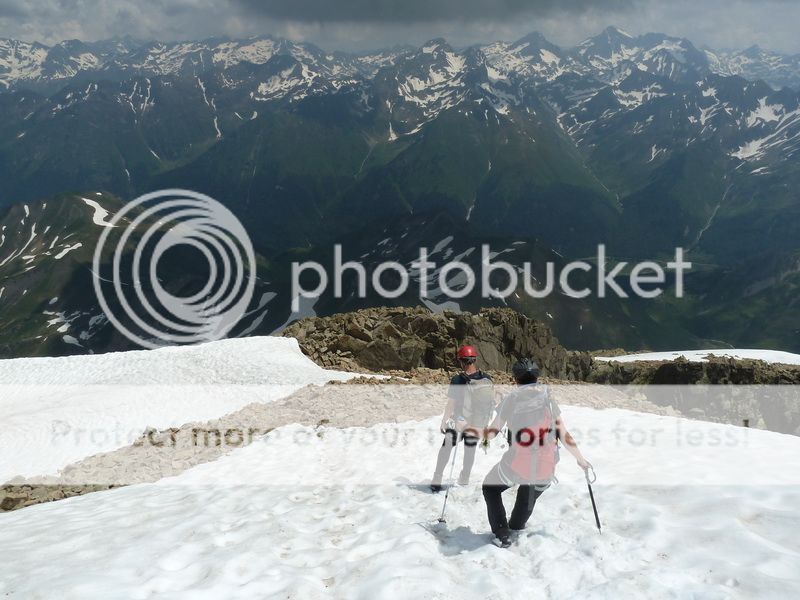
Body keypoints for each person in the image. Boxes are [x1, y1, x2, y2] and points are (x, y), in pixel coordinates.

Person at [482, 358, 591, 548]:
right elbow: (563, 433)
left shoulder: (511, 400)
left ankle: (501, 534)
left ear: (516, 379)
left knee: (490, 488)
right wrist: (580, 459)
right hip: (545, 469)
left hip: (518, 464)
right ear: (537, 377)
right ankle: (515, 527)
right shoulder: (548, 400)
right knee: (523, 506)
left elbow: (492, 432)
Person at [430, 345, 494, 493]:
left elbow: (451, 404)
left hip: (459, 421)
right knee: (469, 450)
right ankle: (464, 477)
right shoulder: (487, 378)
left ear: (461, 361)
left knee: (446, 448)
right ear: (475, 359)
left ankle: (437, 478)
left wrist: (444, 421)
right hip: (477, 423)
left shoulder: (458, 379)